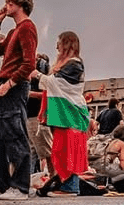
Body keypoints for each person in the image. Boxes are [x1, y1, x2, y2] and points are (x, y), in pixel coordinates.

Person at [0, 0, 38, 199]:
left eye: (8, 2)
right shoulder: (16, 30)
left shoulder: (26, 28)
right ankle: (3, 185)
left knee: (15, 134)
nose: (5, 5)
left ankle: (21, 186)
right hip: (6, 87)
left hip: (13, 88)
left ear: (18, 3)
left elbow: (29, 62)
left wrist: (11, 82)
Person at [32, 31, 90, 194]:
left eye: (59, 42)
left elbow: (58, 83)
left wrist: (37, 75)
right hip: (66, 114)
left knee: (67, 150)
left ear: (66, 44)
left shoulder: (74, 64)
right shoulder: (72, 63)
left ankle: (70, 187)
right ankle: (67, 185)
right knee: (61, 150)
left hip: (71, 113)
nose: (56, 46)